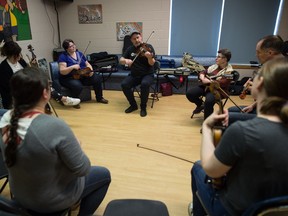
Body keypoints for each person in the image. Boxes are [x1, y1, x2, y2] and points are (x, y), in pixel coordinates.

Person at [0, 67, 111, 215]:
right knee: (103, 174)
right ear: (46, 93)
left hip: (20, 195)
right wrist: (77, 146)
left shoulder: (6, 118)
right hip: (49, 202)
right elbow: (83, 168)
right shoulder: (54, 126)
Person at [189, 56, 288, 216]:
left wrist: (207, 127)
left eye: (255, 76)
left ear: (260, 83)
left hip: (238, 211)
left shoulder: (242, 131)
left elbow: (211, 170)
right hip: (276, 208)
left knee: (198, 167)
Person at [0, 40, 80, 109]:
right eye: (17, 55)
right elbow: (9, 88)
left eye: (19, 54)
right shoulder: (3, 68)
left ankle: (62, 99)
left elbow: (28, 72)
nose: (19, 56)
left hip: (27, 89)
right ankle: (63, 99)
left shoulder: (20, 61)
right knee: (40, 89)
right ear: (10, 55)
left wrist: (32, 65)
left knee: (44, 85)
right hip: (15, 95)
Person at [228, 35, 284, 125]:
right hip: (266, 108)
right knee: (231, 110)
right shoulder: (272, 66)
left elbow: (278, 100)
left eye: (258, 52)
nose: (256, 55)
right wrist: (253, 105)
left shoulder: (282, 69)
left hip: (276, 117)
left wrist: (257, 89)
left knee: (228, 117)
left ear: (270, 53)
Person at [186, 49, 233, 120]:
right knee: (190, 93)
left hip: (218, 91)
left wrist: (209, 81)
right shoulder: (214, 66)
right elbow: (203, 72)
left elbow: (223, 83)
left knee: (209, 101)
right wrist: (202, 76)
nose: (216, 58)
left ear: (225, 59)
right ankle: (201, 105)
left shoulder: (229, 71)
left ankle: (207, 122)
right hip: (207, 87)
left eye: (219, 57)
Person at [58, 39, 108, 106]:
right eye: (70, 46)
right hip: (69, 77)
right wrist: (72, 67)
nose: (73, 47)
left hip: (82, 75)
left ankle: (99, 98)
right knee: (77, 86)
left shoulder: (80, 54)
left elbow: (87, 64)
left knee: (97, 78)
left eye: (73, 45)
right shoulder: (63, 56)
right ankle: (74, 101)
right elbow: (62, 71)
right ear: (66, 49)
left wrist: (90, 70)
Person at [119, 31, 156, 117]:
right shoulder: (130, 49)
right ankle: (133, 105)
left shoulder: (148, 47)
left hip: (147, 74)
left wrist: (149, 58)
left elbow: (152, 63)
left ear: (141, 37)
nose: (136, 40)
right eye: (134, 39)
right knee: (124, 84)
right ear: (131, 40)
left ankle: (143, 107)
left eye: (137, 37)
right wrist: (125, 61)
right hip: (135, 75)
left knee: (145, 84)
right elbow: (121, 60)